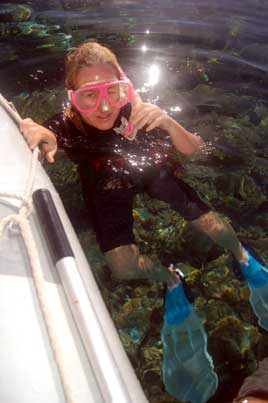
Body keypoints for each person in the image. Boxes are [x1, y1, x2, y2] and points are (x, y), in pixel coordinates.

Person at [20, 40, 268, 401]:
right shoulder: (68, 124)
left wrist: (167, 122)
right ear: (72, 96)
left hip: (151, 170)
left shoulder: (137, 111)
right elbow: (48, 134)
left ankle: (244, 258)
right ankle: (170, 277)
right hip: (106, 181)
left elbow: (197, 150)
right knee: (121, 267)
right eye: (89, 96)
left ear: (124, 85)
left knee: (216, 228)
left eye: (113, 91)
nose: (104, 106)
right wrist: (41, 134)